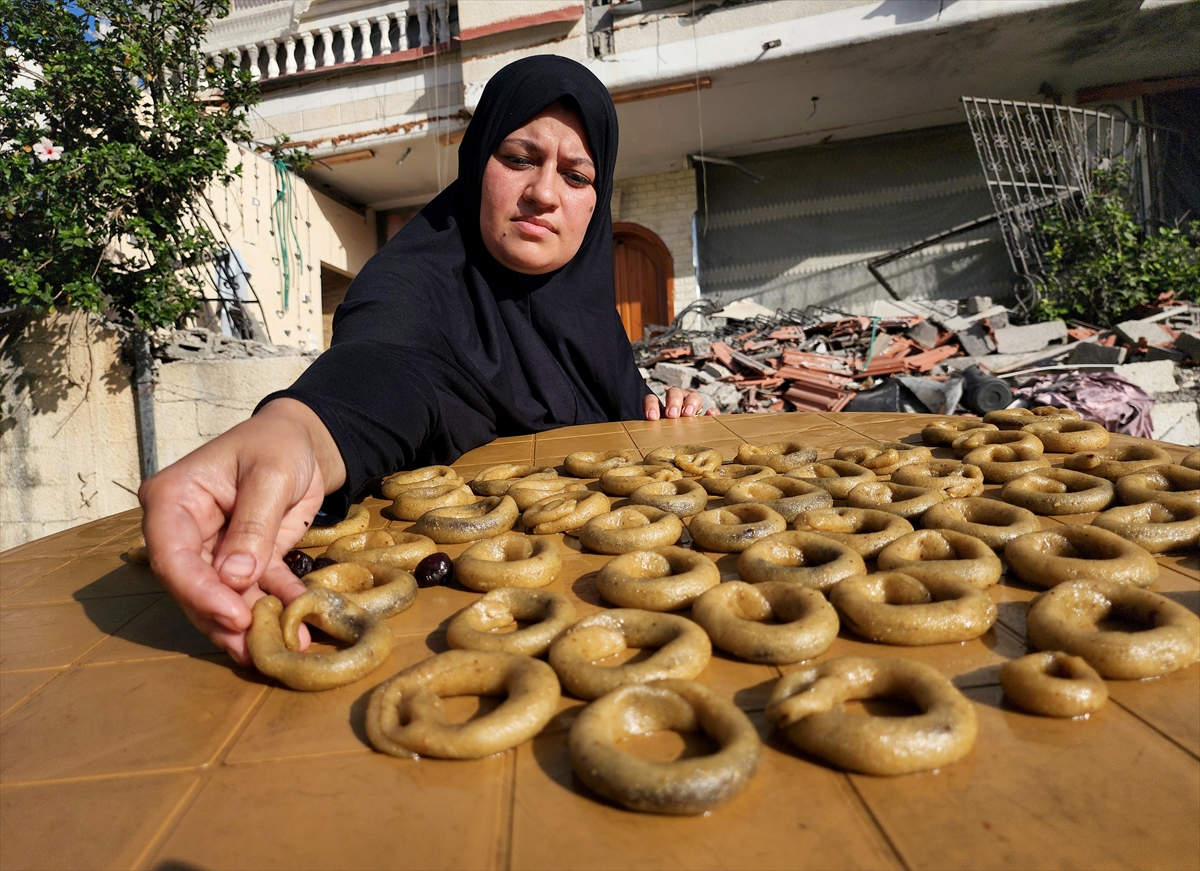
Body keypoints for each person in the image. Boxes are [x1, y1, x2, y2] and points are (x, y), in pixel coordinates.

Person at [139, 55, 714, 663]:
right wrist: (299, 430)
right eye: (518, 159)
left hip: (620, 618)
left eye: (575, 176)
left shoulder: (588, 311)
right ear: (478, 160)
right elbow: (387, 368)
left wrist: (657, 408)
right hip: (462, 634)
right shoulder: (412, 287)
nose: (544, 193)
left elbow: (596, 410)